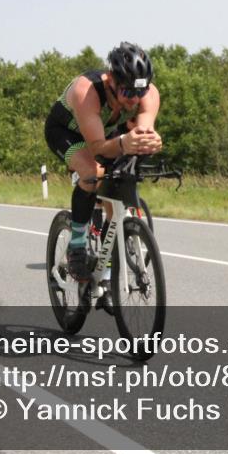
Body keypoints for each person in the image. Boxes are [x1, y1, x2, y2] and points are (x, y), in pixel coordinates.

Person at [44, 42, 162, 280]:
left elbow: (141, 133)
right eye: (128, 92)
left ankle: (105, 270)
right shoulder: (86, 90)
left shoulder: (148, 94)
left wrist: (149, 141)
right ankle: (77, 245)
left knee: (117, 186)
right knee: (93, 171)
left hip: (103, 132)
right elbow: (97, 149)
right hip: (66, 133)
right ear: (111, 81)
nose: (133, 100)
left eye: (139, 92)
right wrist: (122, 144)